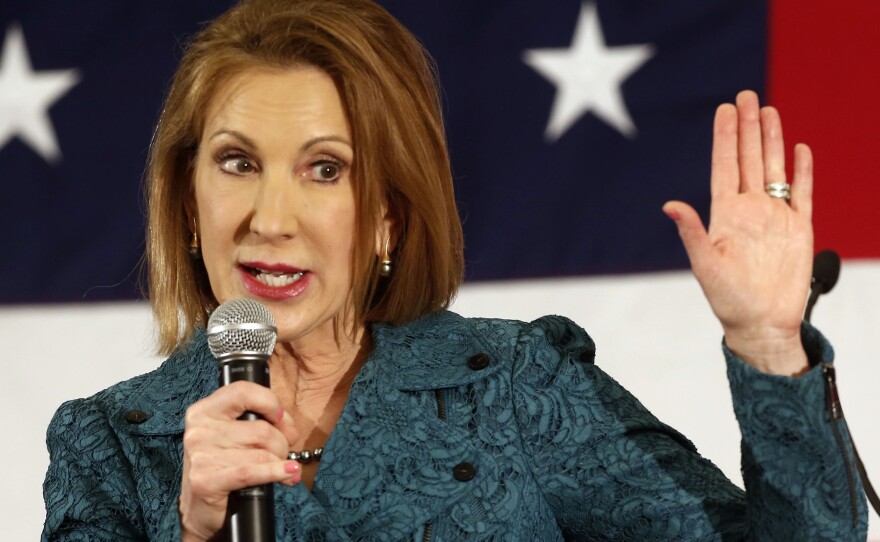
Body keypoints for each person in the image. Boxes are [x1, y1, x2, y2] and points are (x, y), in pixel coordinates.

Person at [42, 0, 868, 540]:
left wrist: (767, 342)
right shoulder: (109, 447)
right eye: (236, 162)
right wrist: (193, 532)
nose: (271, 218)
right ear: (188, 205)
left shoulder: (513, 385)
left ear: (388, 219)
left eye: (326, 168)